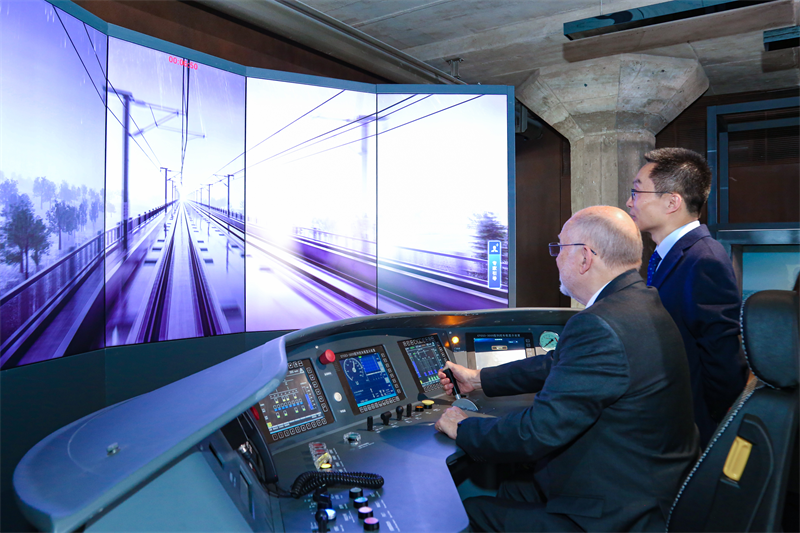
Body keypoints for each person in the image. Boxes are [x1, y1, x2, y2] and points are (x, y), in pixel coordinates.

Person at [435, 206, 699, 533]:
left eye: (560, 248)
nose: (556, 258)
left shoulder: (598, 324)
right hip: (649, 485)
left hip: (619, 515)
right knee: (515, 487)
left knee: (471, 512)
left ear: (585, 257)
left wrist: (464, 427)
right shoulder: (642, 303)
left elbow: (537, 432)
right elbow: (558, 362)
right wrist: (479, 379)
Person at [626, 147, 747, 446]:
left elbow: (723, 358)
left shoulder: (704, 259)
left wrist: (708, 424)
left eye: (636, 192)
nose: (629, 202)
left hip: (691, 429)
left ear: (672, 202)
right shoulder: (670, 255)